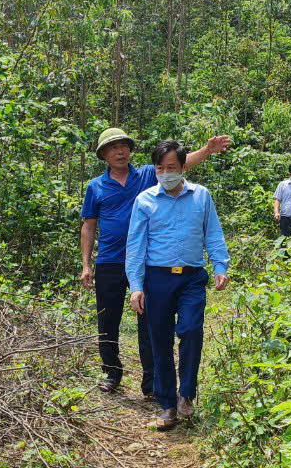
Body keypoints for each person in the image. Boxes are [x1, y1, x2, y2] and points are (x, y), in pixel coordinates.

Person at [80, 128, 230, 398]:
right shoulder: (96, 187)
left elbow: (177, 164)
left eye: (124, 146)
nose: (120, 151)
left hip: (148, 262)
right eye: (113, 148)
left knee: (149, 324)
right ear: (103, 154)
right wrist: (86, 264)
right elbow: (89, 226)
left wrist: (207, 150)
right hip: (110, 262)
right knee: (107, 321)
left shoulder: (149, 174)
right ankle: (111, 373)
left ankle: (151, 383)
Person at [125, 140, 230, 430]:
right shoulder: (144, 200)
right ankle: (167, 404)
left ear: (184, 167)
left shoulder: (201, 196)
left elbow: (213, 234)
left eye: (171, 167)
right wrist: (136, 285)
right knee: (159, 340)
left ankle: (187, 394)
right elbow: (135, 246)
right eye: (160, 168)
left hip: (192, 277)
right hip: (157, 278)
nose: (165, 173)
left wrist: (220, 266)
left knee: (191, 330)